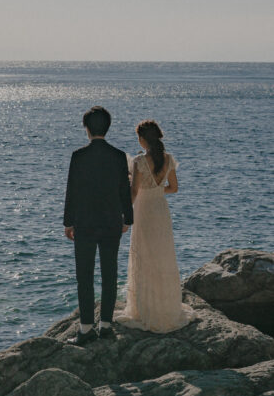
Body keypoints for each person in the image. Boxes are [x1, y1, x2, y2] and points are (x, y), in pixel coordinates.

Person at [115, 119, 194, 333]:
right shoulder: (168, 159)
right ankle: (166, 307)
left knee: (144, 256)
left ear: (142, 139)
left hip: (144, 212)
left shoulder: (140, 161)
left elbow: (133, 192)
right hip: (161, 211)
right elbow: (174, 188)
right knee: (162, 255)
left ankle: (144, 309)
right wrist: (156, 192)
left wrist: (125, 216)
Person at [63, 106, 133, 346]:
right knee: (110, 273)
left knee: (85, 276)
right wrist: (128, 219)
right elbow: (125, 191)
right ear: (107, 127)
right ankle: (106, 325)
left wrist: (68, 222)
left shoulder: (79, 156)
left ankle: (85, 328)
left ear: (87, 128)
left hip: (84, 222)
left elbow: (72, 191)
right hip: (112, 221)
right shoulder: (118, 155)